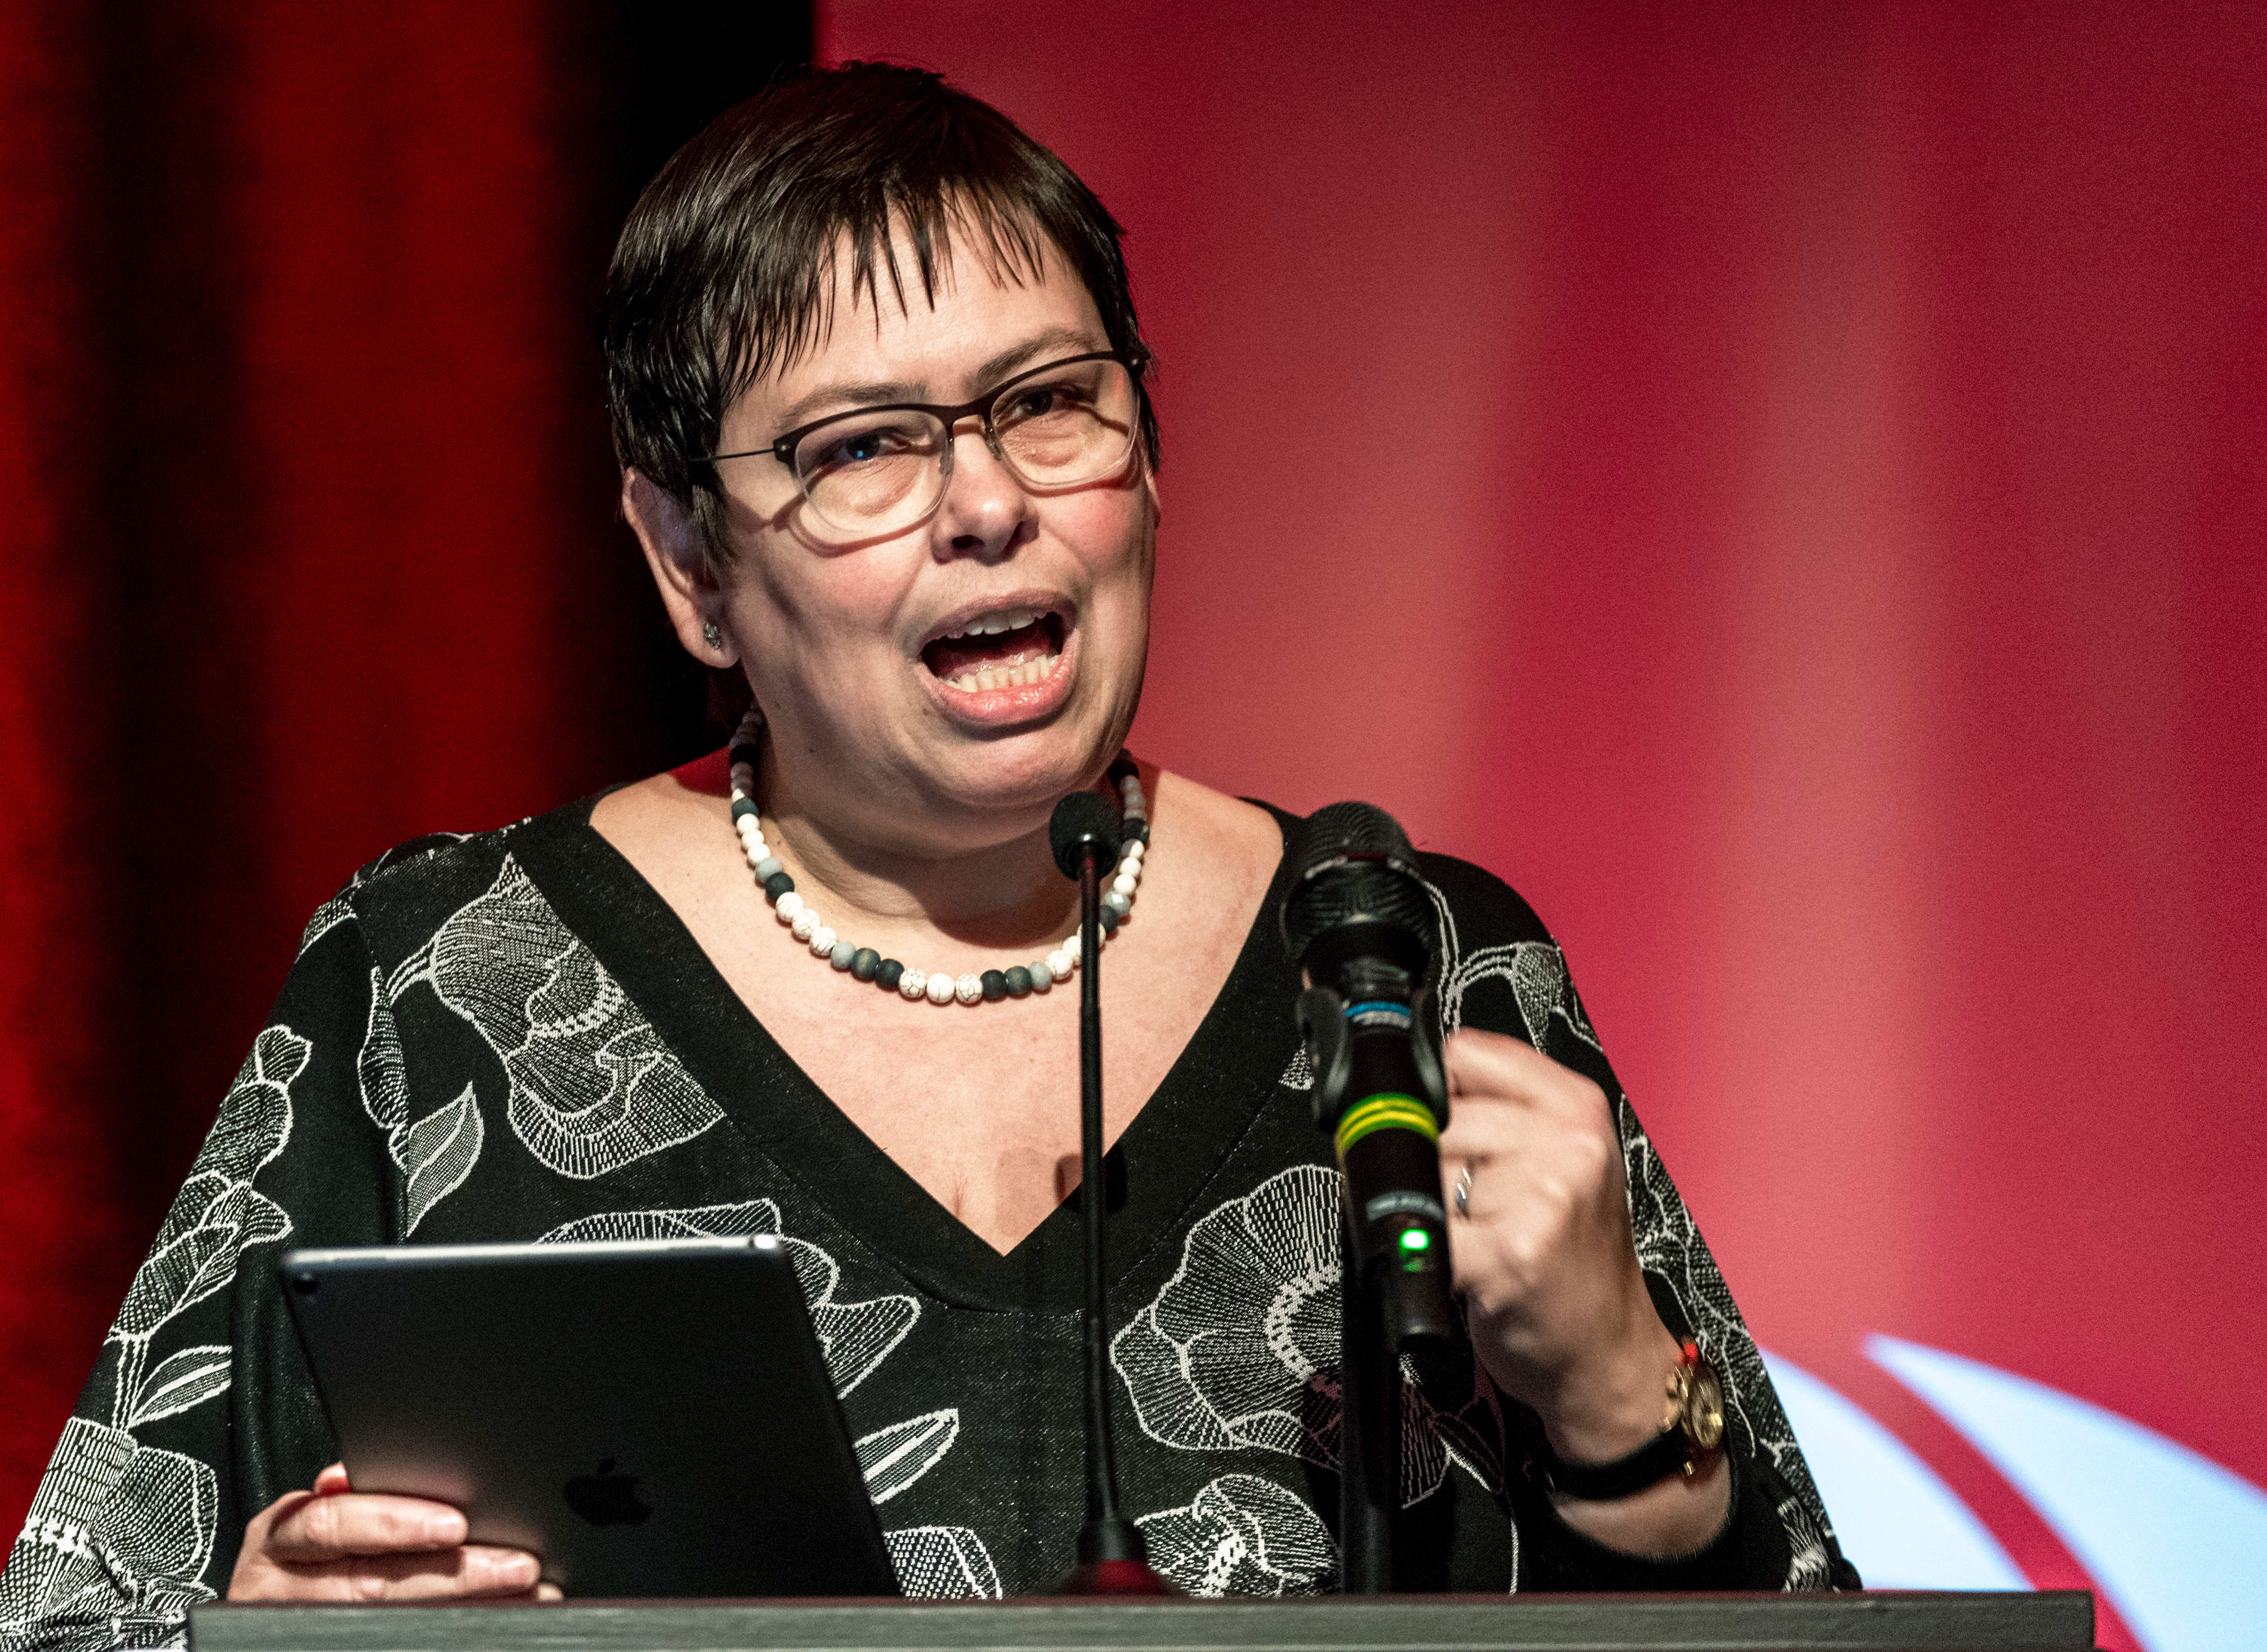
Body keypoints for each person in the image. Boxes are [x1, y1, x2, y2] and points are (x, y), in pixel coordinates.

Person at [0, 62, 1857, 1645]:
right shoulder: (439, 981)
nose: (985, 503)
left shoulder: (1404, 959)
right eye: (861, 449)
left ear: (1150, 455)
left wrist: (1625, 1409)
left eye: (1047, 404)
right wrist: (269, 1633)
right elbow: (84, 1618)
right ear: (689, 563)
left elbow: (1815, 1632)